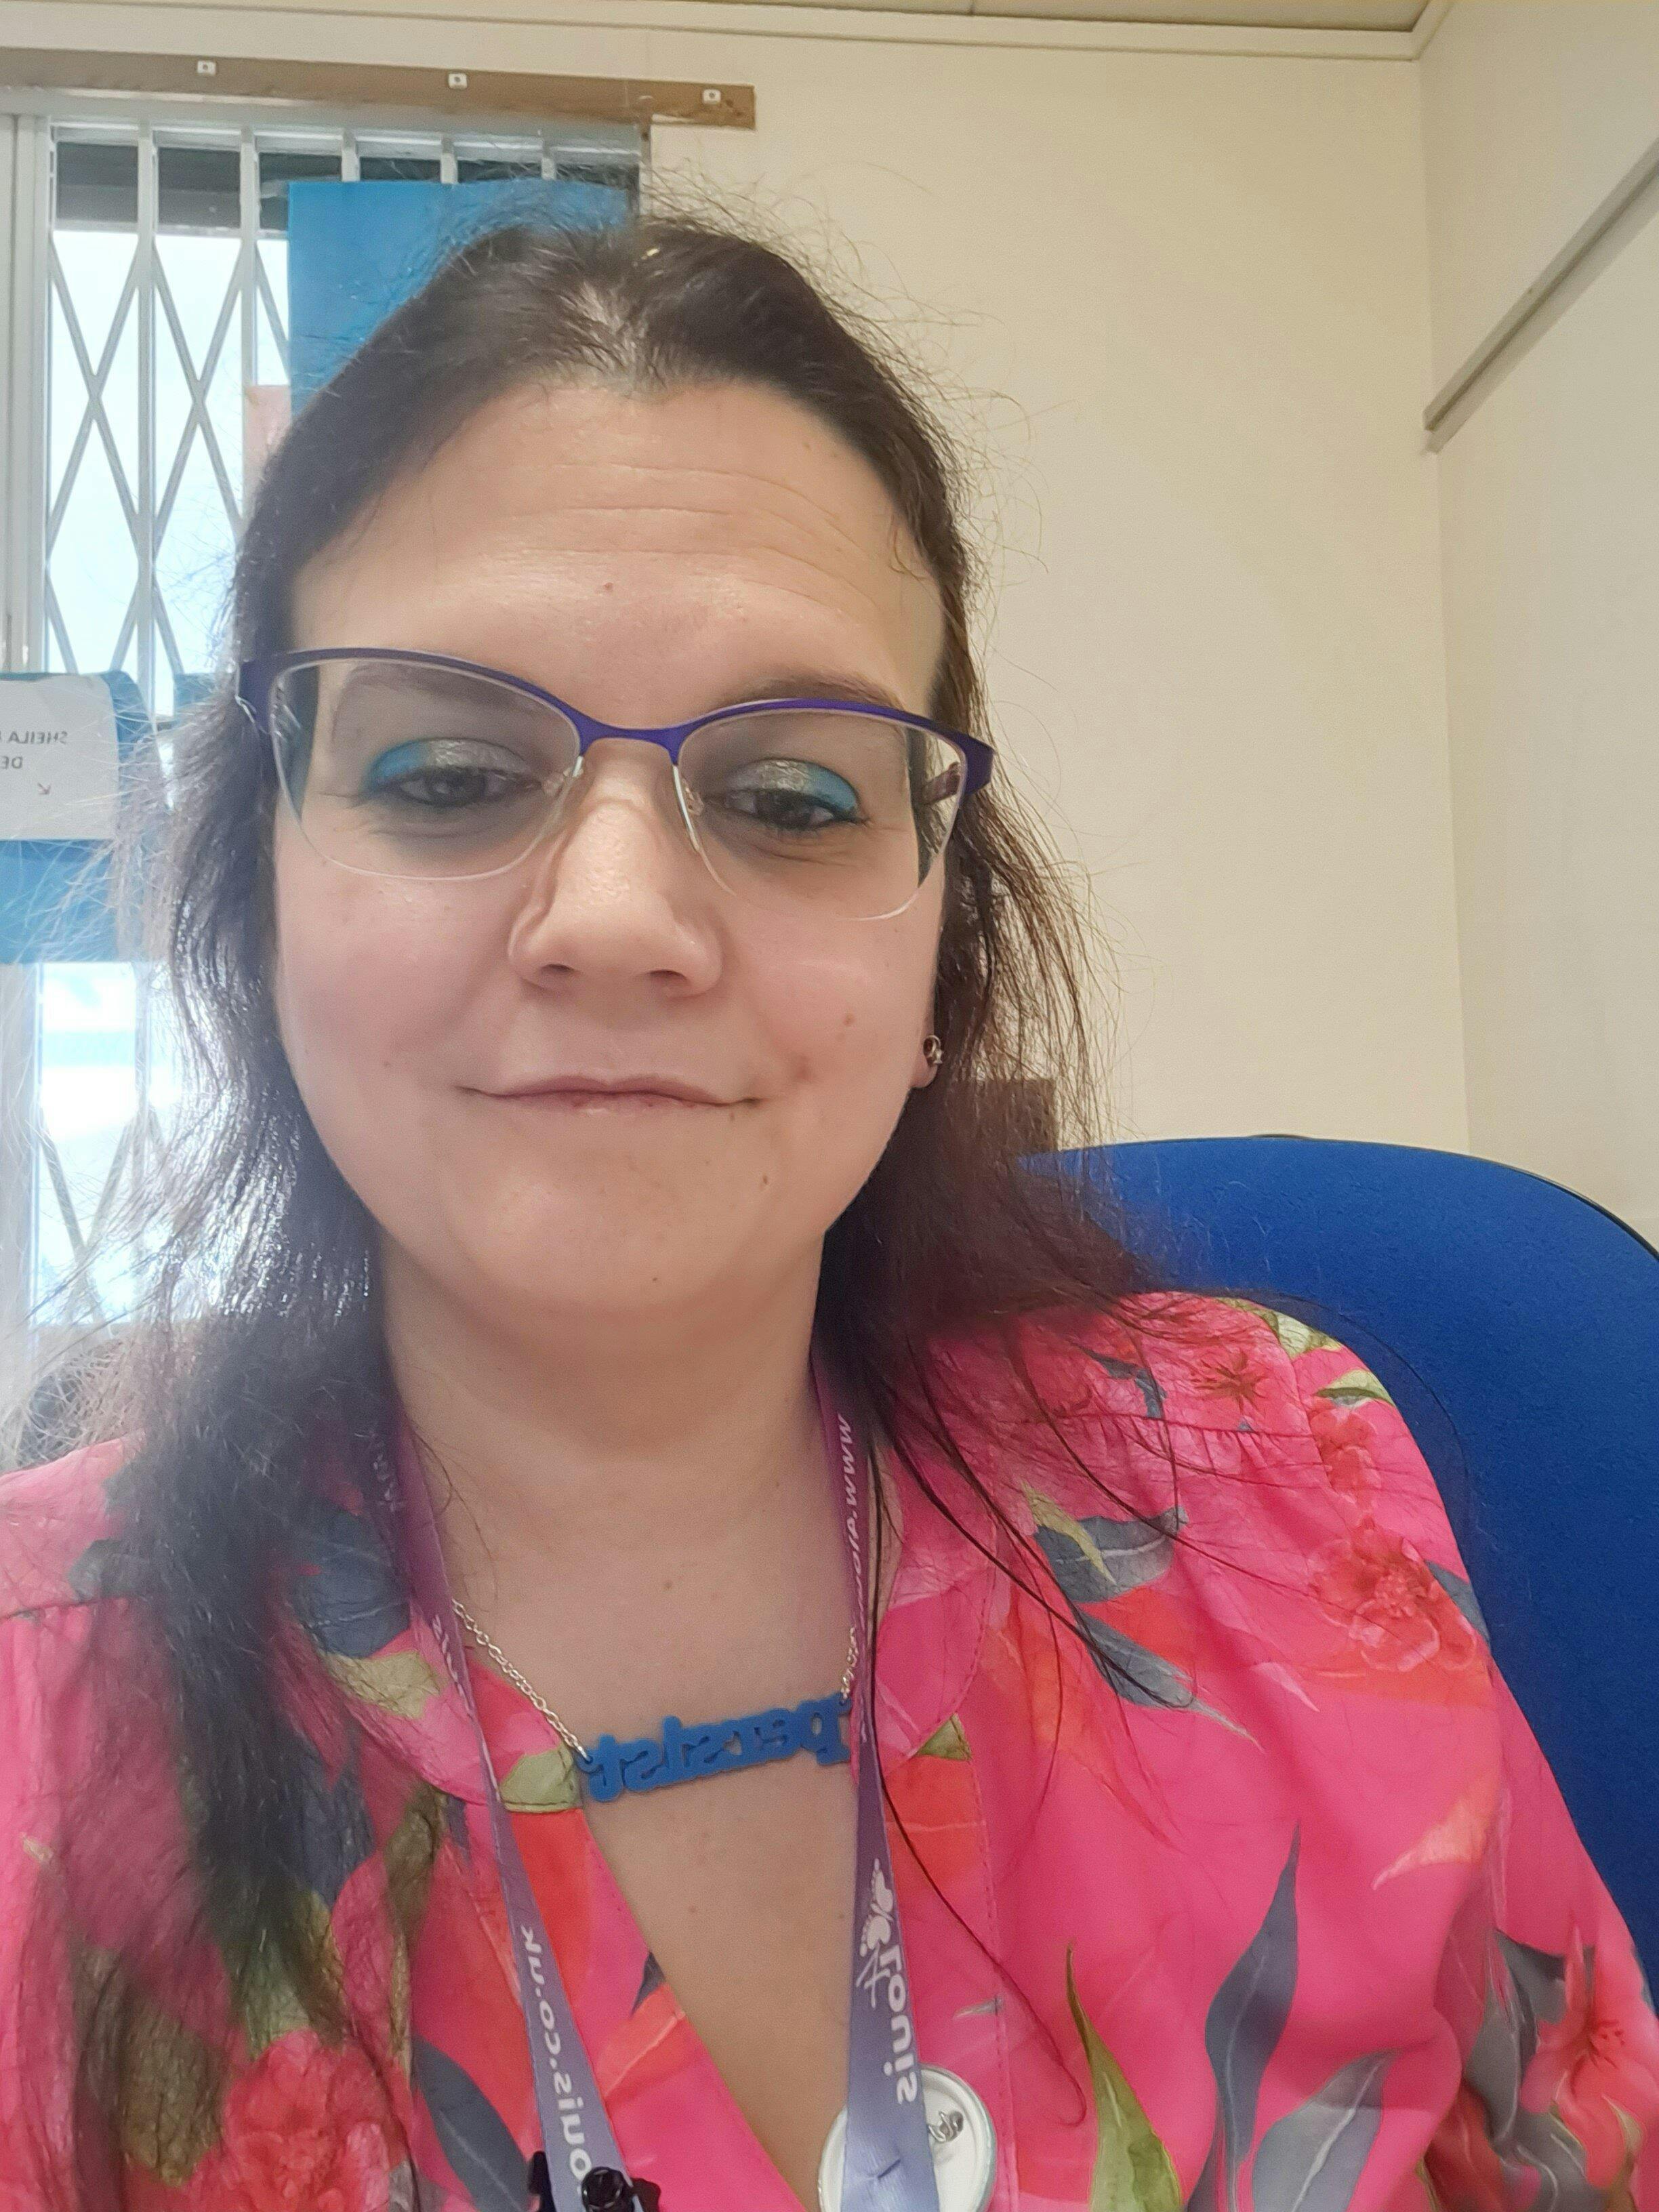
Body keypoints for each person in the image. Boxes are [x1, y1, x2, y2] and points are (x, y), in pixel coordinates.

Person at [1, 213, 1654, 2212]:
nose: (619, 919)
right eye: (443, 774)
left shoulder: (1287, 1492)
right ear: (256, 904)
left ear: (945, 950)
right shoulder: (35, 1714)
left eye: (792, 799)